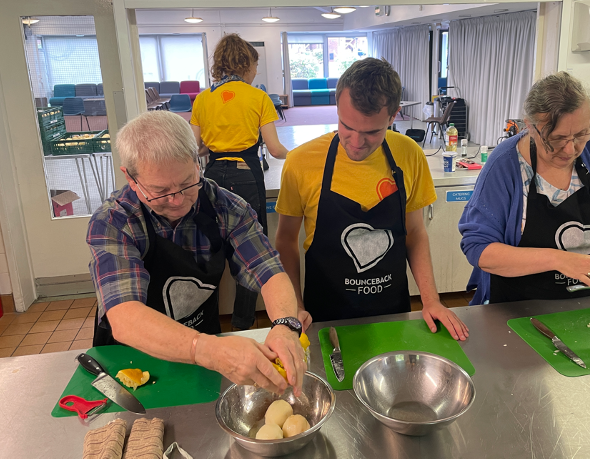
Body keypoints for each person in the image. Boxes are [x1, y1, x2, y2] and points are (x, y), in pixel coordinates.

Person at [87, 110, 305, 396]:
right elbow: (125, 317)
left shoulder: (228, 208)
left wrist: (286, 324)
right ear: (130, 177)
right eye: (160, 191)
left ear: (197, 160)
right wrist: (207, 350)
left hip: (206, 351)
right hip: (132, 359)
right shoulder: (114, 222)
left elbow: (268, 271)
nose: (177, 200)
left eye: (188, 182)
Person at [275, 58, 469, 341]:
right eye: (346, 126)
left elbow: (414, 233)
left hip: (393, 315)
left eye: (371, 132)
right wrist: (295, 306)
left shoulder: (408, 154)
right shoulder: (301, 162)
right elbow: (285, 241)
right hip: (323, 320)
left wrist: (431, 301)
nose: (355, 142)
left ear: (393, 117)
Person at [458, 72, 590, 305]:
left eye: (581, 134)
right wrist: (559, 260)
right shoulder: (505, 165)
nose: (570, 150)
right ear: (530, 127)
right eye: (556, 139)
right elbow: (479, 248)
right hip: (519, 305)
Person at [190, 33, 288, 330]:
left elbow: (194, 149)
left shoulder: (203, 99)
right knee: (250, 255)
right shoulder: (258, 96)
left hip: (212, 177)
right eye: (255, 66)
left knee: (210, 253)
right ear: (246, 64)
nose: (256, 72)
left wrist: (215, 143)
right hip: (247, 177)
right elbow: (274, 149)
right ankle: (243, 327)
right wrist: (306, 155)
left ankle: (208, 325)